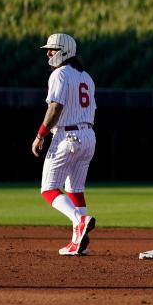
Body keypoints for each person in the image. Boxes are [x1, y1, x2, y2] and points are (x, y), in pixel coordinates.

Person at [31, 33, 98, 256]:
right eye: (47, 50)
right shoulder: (86, 77)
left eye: (53, 49)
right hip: (88, 136)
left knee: (48, 188)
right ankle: (77, 241)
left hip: (67, 137)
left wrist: (40, 134)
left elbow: (55, 108)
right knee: (75, 190)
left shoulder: (59, 74)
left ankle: (80, 221)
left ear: (66, 51)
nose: (49, 53)